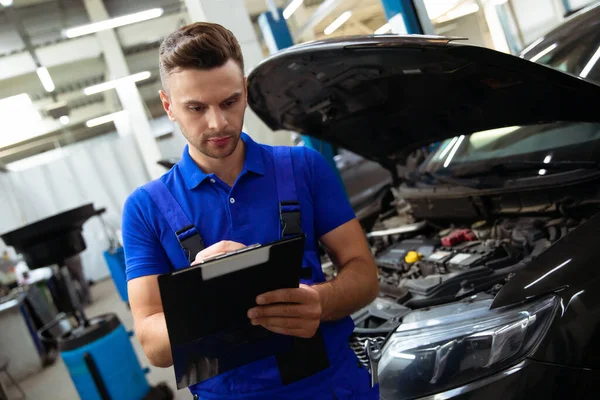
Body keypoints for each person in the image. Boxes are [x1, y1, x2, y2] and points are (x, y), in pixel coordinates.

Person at [122, 21, 380, 399]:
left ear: (244, 90)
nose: (218, 123)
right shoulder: (145, 209)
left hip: (333, 386)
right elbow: (153, 345)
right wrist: (202, 296)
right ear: (168, 106)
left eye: (229, 102)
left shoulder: (304, 168)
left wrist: (321, 301)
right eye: (196, 107)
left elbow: (365, 275)